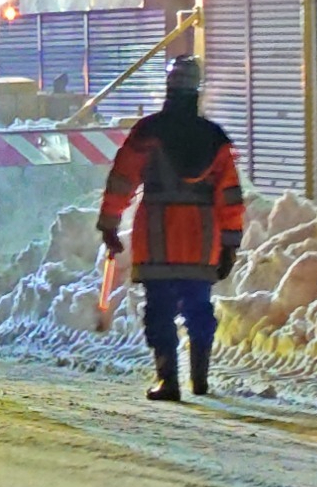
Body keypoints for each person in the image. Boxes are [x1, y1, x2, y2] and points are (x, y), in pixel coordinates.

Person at [96, 55, 245, 402]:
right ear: (197, 90)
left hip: (157, 237)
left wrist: (109, 222)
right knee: (198, 307)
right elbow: (230, 197)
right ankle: (201, 377)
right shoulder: (215, 138)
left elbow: (122, 180)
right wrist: (230, 242)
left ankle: (168, 380)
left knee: (159, 309)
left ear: (168, 87)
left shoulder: (147, 133)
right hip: (201, 239)